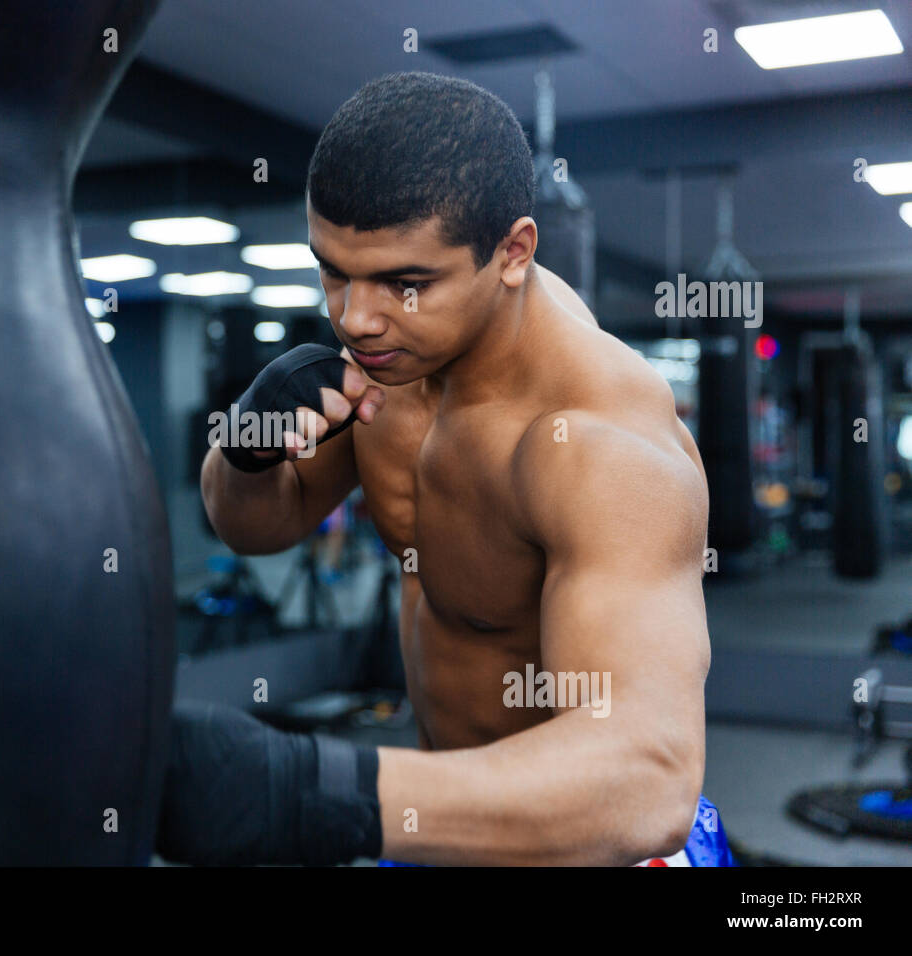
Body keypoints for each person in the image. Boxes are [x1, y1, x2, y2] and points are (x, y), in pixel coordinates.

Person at [161, 71, 732, 866]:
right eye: (333, 271)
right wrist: (246, 445)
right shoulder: (389, 369)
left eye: (406, 283)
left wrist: (308, 791)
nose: (354, 320)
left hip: (602, 841)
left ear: (513, 252)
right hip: (443, 823)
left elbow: (649, 779)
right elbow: (254, 525)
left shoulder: (596, 444)